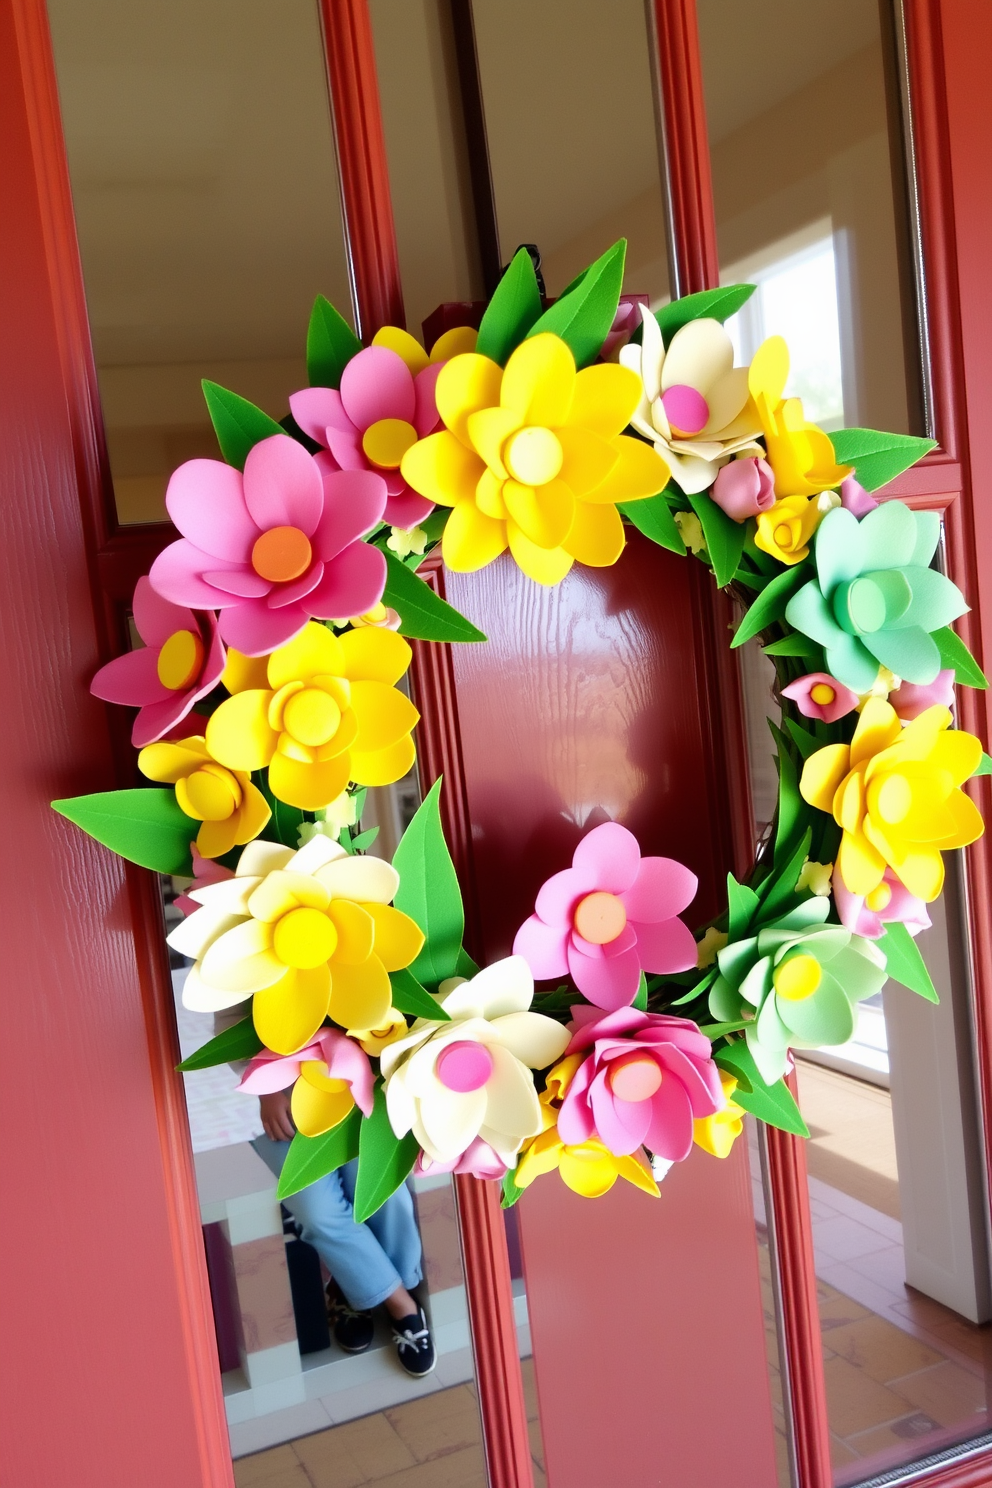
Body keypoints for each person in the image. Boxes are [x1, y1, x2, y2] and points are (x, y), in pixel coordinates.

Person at [251, 1088, 435, 1377]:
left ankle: (352, 1285)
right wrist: (267, 1091)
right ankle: (402, 1304)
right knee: (318, 1213)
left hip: (357, 1084)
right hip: (283, 1097)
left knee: (381, 1193)